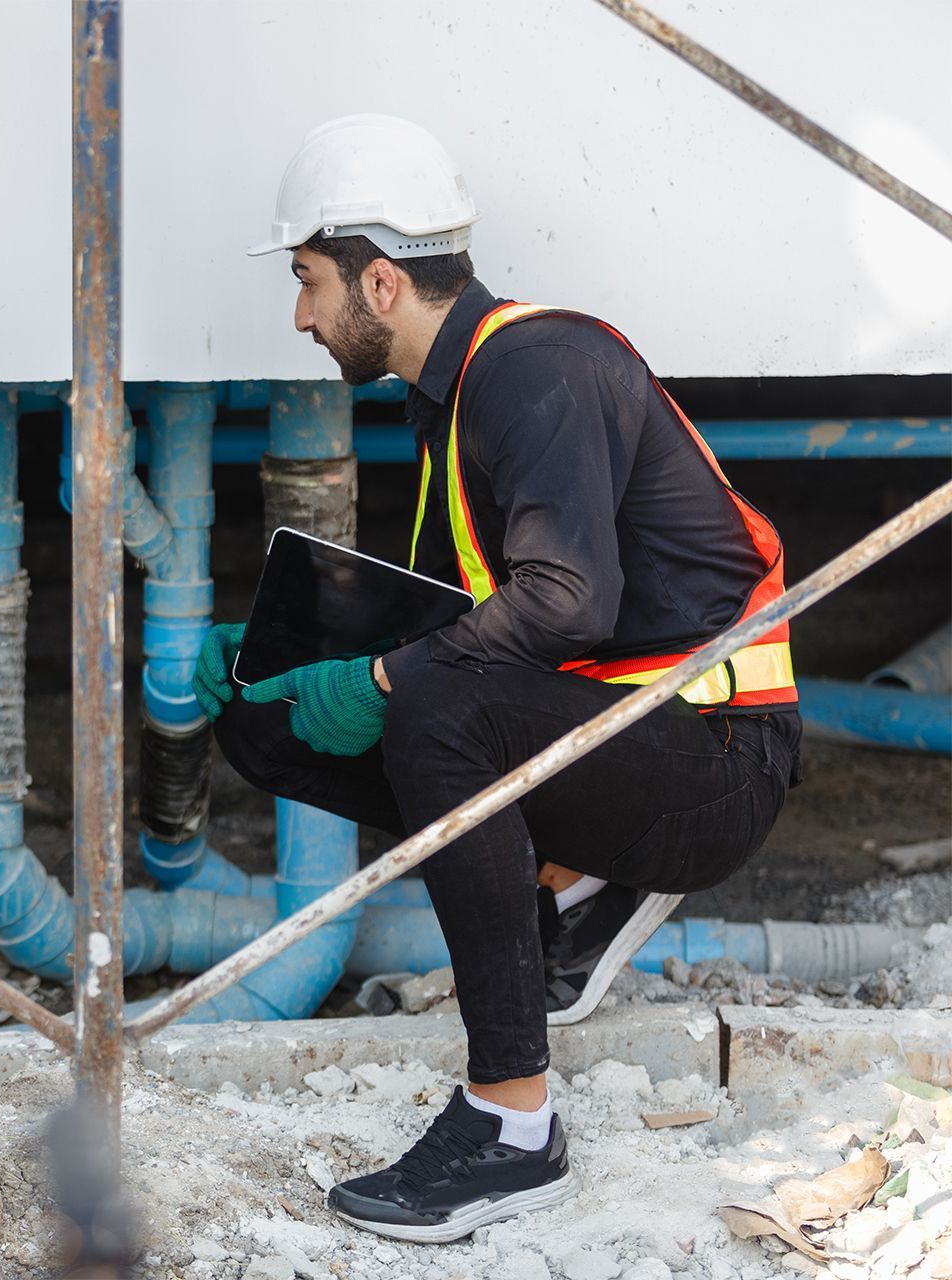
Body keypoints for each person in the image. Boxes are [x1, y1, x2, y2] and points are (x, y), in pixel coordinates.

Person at [196, 116, 801, 1243]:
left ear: (381, 279)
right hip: (622, 736)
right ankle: (569, 886)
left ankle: (513, 1125)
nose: (300, 315)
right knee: (269, 722)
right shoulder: (461, 396)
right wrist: (271, 650)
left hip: (718, 756)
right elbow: (458, 621)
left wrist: (377, 673)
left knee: (430, 701)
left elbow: (568, 603)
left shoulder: (535, 369)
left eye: (309, 281)